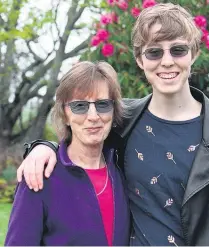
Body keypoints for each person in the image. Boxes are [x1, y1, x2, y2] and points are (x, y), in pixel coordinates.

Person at [16, 3, 209, 246]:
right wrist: (42, 147)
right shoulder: (123, 121)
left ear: (195, 53)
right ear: (140, 59)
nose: (167, 61)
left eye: (178, 50)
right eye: (154, 52)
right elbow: (82, 136)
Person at [5, 61, 130, 246]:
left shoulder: (122, 167)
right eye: (80, 106)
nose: (93, 116)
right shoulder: (40, 176)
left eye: (103, 104)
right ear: (65, 114)